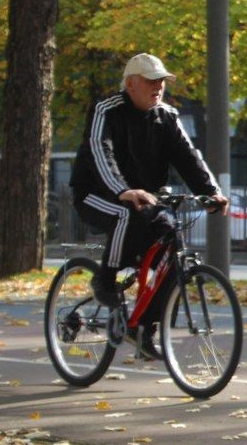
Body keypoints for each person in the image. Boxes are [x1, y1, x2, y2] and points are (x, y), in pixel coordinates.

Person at [70, 53, 229, 359]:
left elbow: (188, 155)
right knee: (125, 214)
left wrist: (210, 191)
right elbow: (100, 151)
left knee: (172, 250)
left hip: (146, 200)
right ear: (131, 84)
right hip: (96, 193)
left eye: (162, 82)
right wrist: (122, 190)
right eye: (151, 81)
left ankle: (144, 328)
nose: (158, 87)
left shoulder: (167, 116)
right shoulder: (107, 109)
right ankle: (105, 279)